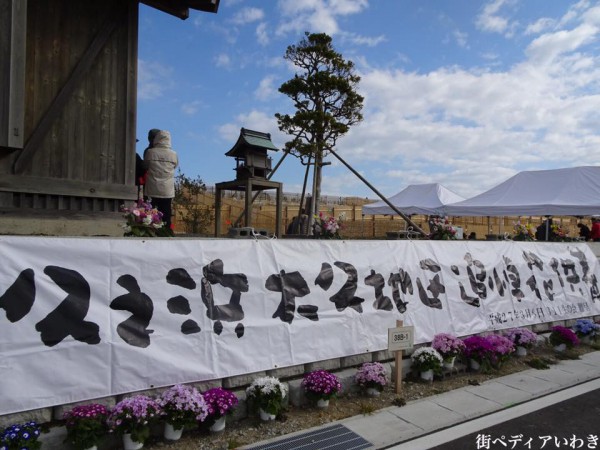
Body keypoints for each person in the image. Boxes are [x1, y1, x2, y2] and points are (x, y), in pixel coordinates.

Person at [143, 129, 178, 229]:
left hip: (152, 188)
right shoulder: (174, 154)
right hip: (167, 189)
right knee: (166, 212)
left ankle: (150, 232)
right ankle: (166, 232)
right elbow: (175, 165)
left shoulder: (150, 152)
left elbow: (145, 166)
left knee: (150, 213)